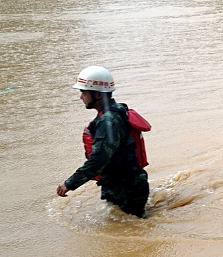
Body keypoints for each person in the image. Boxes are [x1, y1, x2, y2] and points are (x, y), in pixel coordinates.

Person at [56, 66, 151, 218]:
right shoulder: (115, 111)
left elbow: (98, 160)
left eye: (83, 92)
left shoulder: (109, 121)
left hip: (125, 189)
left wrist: (69, 184)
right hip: (128, 185)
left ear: (98, 95)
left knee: (128, 232)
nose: (81, 97)